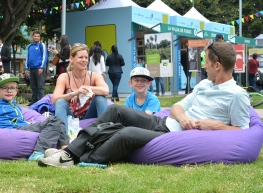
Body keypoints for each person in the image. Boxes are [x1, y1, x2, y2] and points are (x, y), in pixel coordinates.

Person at [38, 41, 250, 167]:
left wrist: (215, 125)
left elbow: (243, 131)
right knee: (116, 111)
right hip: (165, 123)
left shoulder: (236, 95)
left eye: (206, 63)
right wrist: (183, 116)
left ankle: (79, 159)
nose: (204, 67)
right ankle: (69, 151)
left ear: (218, 65)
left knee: (127, 133)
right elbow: (177, 107)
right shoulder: (204, 84)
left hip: (174, 137)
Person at [0, 73, 70, 161]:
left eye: (12, 88)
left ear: (16, 91)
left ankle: (65, 150)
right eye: (5, 88)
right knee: (54, 120)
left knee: (58, 121)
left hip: (22, 126)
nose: (9, 90)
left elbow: (18, 119)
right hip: (14, 129)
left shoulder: (14, 104)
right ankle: (38, 152)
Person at [52, 43, 109, 133]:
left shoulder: (94, 76)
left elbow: (106, 91)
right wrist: (74, 93)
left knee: (101, 98)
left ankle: (105, 134)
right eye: (80, 57)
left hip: (88, 114)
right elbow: (55, 99)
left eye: (86, 58)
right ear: (71, 59)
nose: (84, 60)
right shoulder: (64, 77)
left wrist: (86, 88)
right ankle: (64, 141)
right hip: (71, 114)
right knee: (60, 102)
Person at [24, 31, 47, 106]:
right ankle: (34, 102)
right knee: (33, 86)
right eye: (35, 36)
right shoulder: (29, 46)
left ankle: (41, 102)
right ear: (32, 37)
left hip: (39, 69)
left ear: (40, 37)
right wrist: (26, 68)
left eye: (38, 36)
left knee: (40, 86)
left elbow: (44, 57)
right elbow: (27, 57)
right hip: (31, 69)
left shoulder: (42, 45)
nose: (36, 37)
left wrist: (42, 67)